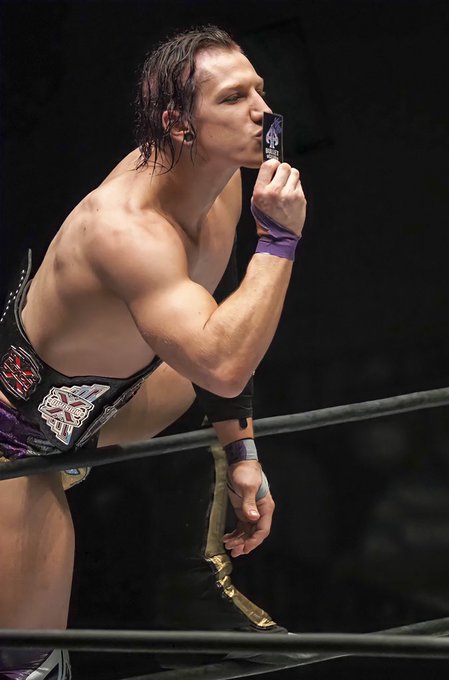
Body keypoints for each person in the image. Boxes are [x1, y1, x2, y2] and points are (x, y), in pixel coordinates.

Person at [0, 25, 306, 679]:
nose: (262, 110)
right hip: (19, 438)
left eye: (259, 90)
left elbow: (219, 326)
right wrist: (278, 243)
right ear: (178, 124)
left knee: (207, 373)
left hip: (110, 401)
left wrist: (243, 453)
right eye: (233, 98)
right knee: (27, 662)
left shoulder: (223, 183)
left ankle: (193, 596)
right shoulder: (127, 230)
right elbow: (223, 362)